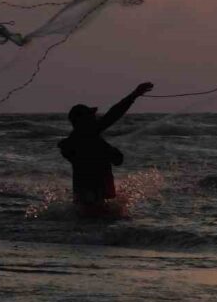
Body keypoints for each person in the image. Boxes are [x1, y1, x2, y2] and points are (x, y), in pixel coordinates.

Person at [58, 82, 153, 217]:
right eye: (91, 116)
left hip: (86, 194)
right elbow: (113, 115)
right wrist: (133, 95)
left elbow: (112, 116)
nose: (95, 118)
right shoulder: (87, 137)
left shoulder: (78, 140)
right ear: (82, 120)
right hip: (94, 193)